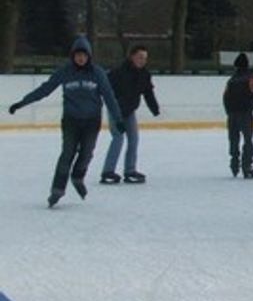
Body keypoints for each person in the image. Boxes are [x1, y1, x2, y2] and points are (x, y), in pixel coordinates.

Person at [9, 36, 126, 208]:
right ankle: (57, 189)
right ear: (72, 56)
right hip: (71, 120)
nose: (81, 58)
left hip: (92, 121)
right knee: (67, 154)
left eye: (84, 55)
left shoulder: (97, 73)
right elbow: (45, 89)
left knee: (87, 153)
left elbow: (109, 97)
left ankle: (78, 176)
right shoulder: (65, 72)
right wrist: (22, 103)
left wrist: (118, 119)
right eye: (78, 55)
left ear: (89, 56)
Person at [100, 43, 160, 184]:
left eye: (145, 58)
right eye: (140, 57)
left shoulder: (144, 74)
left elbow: (148, 92)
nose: (142, 61)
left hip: (130, 111)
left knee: (133, 140)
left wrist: (155, 109)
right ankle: (108, 171)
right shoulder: (118, 72)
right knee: (118, 138)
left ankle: (129, 171)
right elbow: (106, 90)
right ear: (132, 57)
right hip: (116, 111)